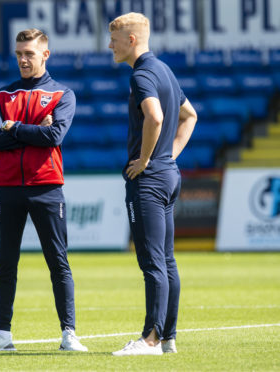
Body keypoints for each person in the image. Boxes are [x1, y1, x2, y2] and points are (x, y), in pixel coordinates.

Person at [0, 28, 87, 353]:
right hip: (6, 188)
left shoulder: (63, 94)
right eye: (19, 54)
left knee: (58, 262)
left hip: (47, 187)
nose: (23, 59)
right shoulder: (2, 95)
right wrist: (35, 129)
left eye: (29, 54)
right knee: (5, 264)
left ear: (45, 55)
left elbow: (54, 138)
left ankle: (69, 334)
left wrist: (14, 127)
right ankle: (1, 335)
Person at [107, 13, 198, 356]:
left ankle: (150, 339)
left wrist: (146, 160)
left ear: (131, 39)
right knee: (167, 260)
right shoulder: (165, 70)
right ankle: (169, 337)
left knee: (152, 261)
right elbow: (191, 115)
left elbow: (155, 116)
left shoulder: (142, 74)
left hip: (149, 179)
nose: (109, 46)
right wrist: (169, 155)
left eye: (113, 39)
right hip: (168, 175)